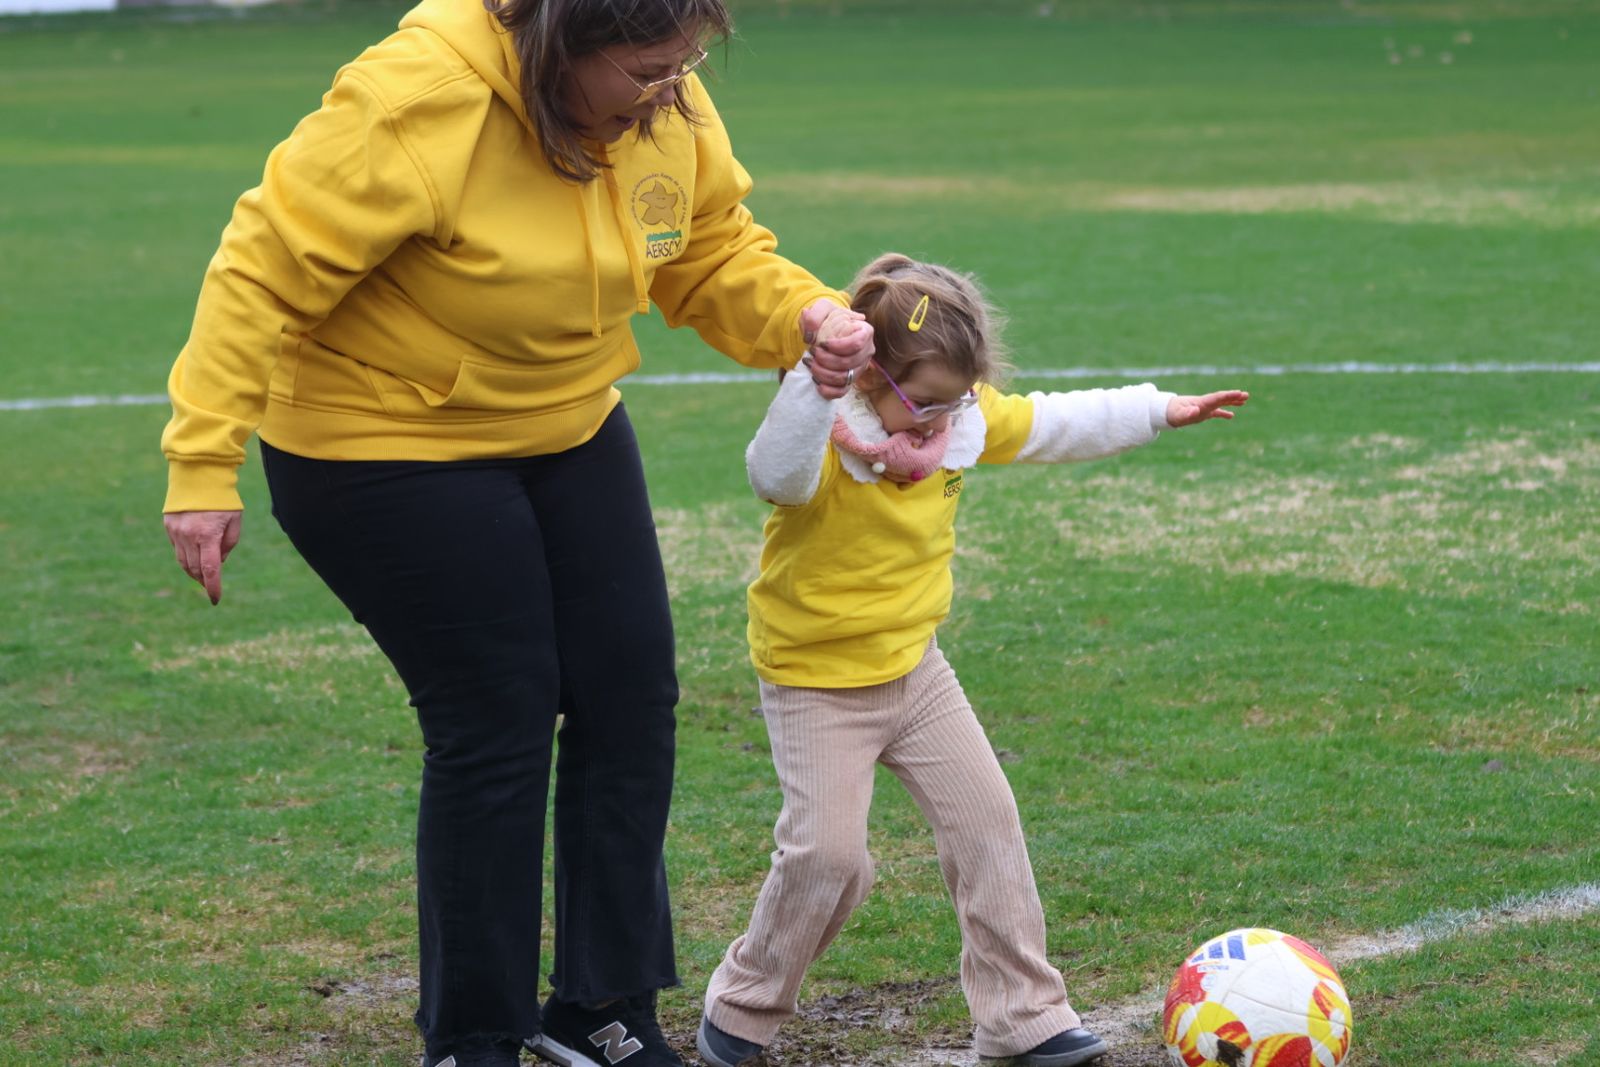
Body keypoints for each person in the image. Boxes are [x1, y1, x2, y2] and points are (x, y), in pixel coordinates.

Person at [157, 0, 874, 1064]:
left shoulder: (660, 102)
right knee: (497, 713)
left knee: (629, 696)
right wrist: (201, 464)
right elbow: (259, 269)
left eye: (684, 64)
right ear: (560, 42)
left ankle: (604, 1005)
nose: (670, 91)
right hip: (378, 436)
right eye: (645, 68)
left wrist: (803, 314)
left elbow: (707, 249)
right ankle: (475, 1031)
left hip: (565, 418)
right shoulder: (417, 100)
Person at [695, 252, 1249, 1067]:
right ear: (870, 373)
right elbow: (772, 475)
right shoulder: (822, 431)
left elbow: (1051, 422)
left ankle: (1024, 1016)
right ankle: (745, 1002)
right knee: (830, 859)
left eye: (956, 401)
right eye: (924, 401)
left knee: (988, 825)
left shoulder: (957, 421)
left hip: (916, 670)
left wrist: (1160, 410)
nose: (940, 421)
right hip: (816, 682)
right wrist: (814, 384)